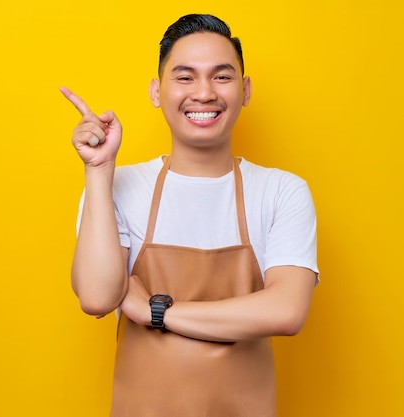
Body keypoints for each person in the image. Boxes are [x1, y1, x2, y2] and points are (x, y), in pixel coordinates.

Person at [60, 13, 318, 417]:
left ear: (245, 90)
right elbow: (96, 297)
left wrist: (157, 312)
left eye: (221, 76)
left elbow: (286, 311)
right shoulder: (120, 187)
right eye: (184, 77)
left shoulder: (281, 191)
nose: (203, 93)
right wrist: (97, 170)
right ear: (156, 92)